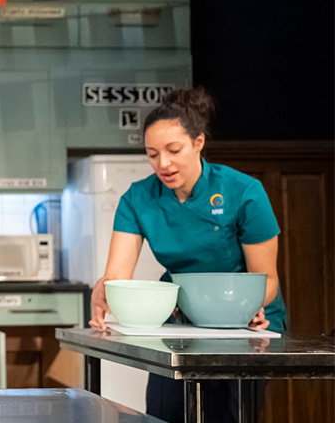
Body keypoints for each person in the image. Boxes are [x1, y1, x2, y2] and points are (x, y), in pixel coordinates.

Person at [89, 87, 286, 423]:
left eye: (174, 150)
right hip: (178, 324)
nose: (162, 164)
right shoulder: (137, 199)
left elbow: (267, 279)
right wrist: (105, 288)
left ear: (198, 143)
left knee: (227, 415)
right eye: (152, 154)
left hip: (243, 323)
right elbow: (117, 275)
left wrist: (247, 310)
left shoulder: (243, 192)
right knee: (165, 413)